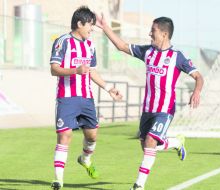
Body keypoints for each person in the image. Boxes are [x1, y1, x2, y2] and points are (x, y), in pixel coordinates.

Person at [96, 15, 204, 190]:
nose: (149, 34)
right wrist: (106, 27)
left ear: (164, 34)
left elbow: (198, 76)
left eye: (153, 31)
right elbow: (122, 46)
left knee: (151, 141)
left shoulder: (178, 57)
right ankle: (175, 143)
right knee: (147, 145)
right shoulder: (147, 52)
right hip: (148, 109)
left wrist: (197, 91)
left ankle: (139, 185)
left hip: (165, 109)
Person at [49, 6, 122, 190]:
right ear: (79, 23)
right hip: (67, 98)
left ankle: (85, 159)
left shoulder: (90, 45)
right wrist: (76, 70)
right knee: (65, 136)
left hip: (86, 99)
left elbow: (92, 71)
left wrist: (108, 88)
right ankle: (58, 180)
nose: (92, 29)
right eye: (90, 25)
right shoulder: (62, 41)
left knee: (92, 136)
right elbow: (54, 69)